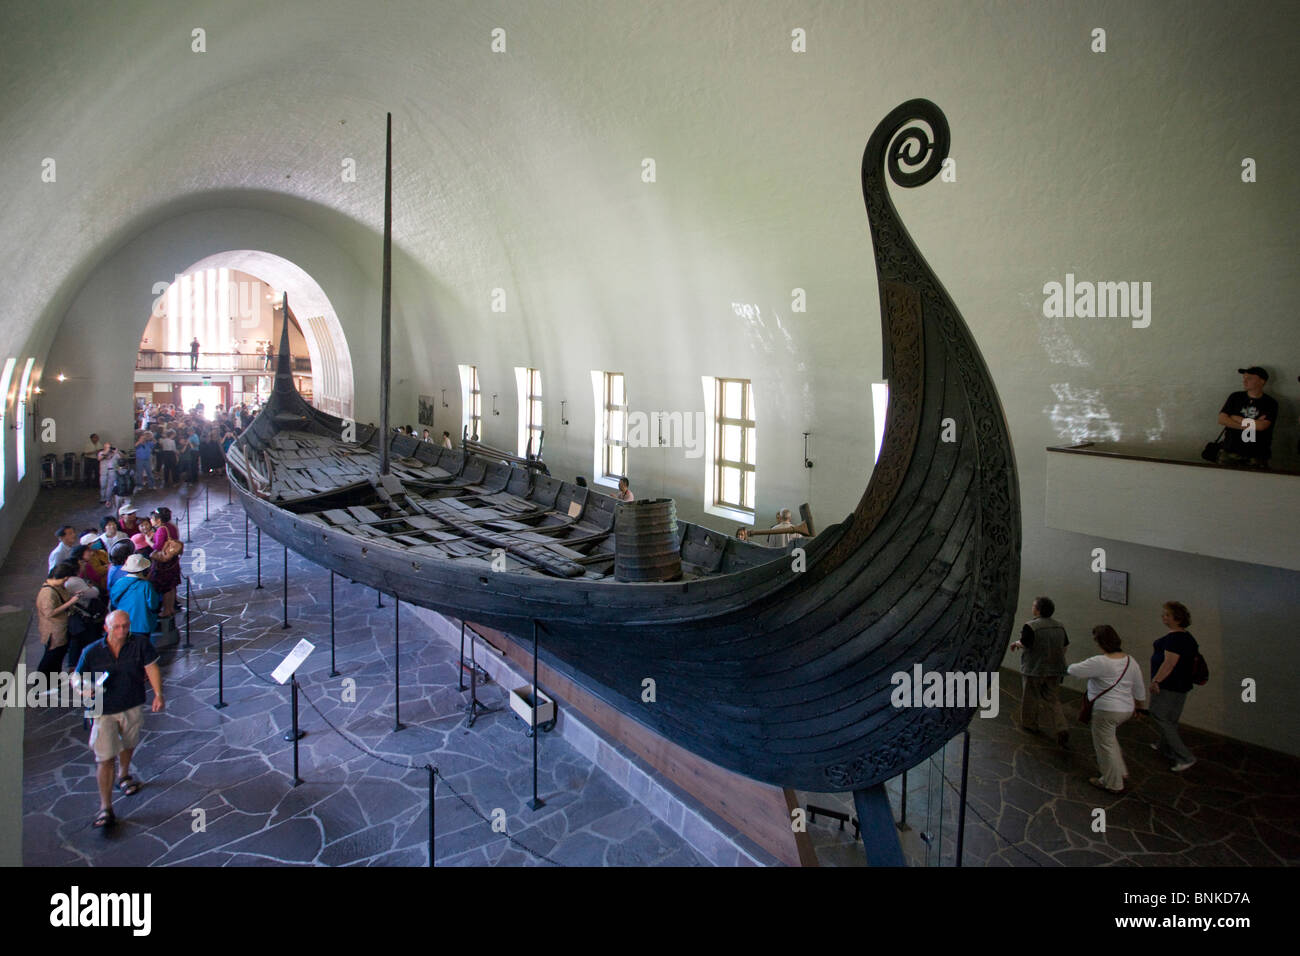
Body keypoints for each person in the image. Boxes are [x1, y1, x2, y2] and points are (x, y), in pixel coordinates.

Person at [76, 609, 164, 829]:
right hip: (103, 710)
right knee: (104, 757)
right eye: (117, 627)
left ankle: (123, 774)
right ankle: (105, 807)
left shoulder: (139, 644)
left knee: (128, 743)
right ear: (106, 628)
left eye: (126, 626)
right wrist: (85, 691)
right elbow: (77, 679)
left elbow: (151, 667)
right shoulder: (91, 652)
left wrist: (158, 694)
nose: (123, 631)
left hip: (131, 702)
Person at [1067, 625, 1147, 794]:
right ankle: (1121, 772)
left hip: (1106, 710)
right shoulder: (1130, 661)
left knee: (1104, 746)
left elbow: (1073, 670)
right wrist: (1141, 708)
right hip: (1125, 708)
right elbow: (1139, 688)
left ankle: (1113, 783)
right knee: (1110, 740)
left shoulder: (1100, 662)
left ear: (1100, 642)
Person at [1009, 596, 1071, 746]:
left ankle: (1030, 724)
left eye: (1034, 606)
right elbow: (1064, 646)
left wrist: (1015, 644)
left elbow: (1025, 644)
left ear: (1038, 610)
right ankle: (1061, 727)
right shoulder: (1059, 626)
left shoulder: (1031, 626)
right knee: (1052, 699)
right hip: (1055, 669)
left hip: (1034, 668)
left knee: (1031, 697)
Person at [1149, 601, 1200, 772]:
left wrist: (1156, 681)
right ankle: (1164, 747)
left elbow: (1169, 664)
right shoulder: (1188, 637)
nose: (1163, 617)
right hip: (1182, 685)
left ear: (1177, 618)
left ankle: (1185, 756)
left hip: (1169, 685)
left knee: (1159, 715)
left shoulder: (1173, 639)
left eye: (1167, 615)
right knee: (1170, 719)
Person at [1216, 366, 1277, 467]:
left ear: (1262, 381)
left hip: (1257, 453)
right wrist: (1249, 424)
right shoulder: (1236, 397)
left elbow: (1262, 426)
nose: (1245, 381)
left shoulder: (1270, 403)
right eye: (1244, 378)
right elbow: (1222, 419)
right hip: (1231, 450)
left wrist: (1236, 418)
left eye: (1249, 378)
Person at [35, 561, 80, 676]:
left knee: (57, 658)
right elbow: (49, 613)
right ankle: (40, 685)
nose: (64, 583)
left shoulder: (56, 587)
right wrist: (71, 602)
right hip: (53, 632)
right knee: (50, 659)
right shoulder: (47, 593)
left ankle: (54, 681)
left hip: (61, 629)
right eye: (64, 580)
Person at [109, 554, 161, 640]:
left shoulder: (119, 582)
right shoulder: (146, 585)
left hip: (123, 623)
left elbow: (114, 601)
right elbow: (153, 604)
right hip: (142, 625)